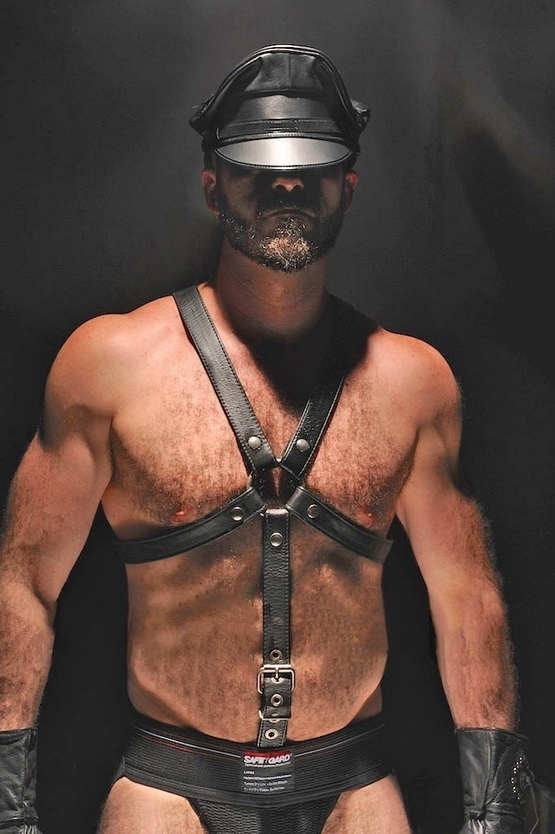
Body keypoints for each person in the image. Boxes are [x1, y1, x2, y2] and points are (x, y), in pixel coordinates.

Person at [0, 44, 537, 834]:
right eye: (257, 168)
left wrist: (496, 812)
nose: (286, 185)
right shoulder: (108, 367)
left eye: (312, 168)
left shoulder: (412, 383)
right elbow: (23, 586)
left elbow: (467, 599)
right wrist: (8, 806)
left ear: (347, 187)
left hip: (352, 787)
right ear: (211, 185)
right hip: (170, 787)